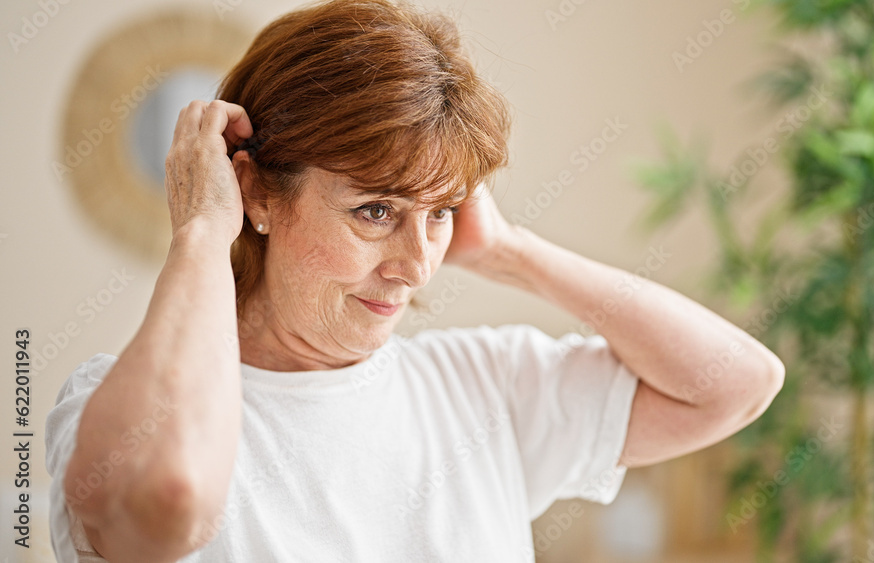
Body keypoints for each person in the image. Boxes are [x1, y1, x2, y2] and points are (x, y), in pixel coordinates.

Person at [45, 0, 785, 561]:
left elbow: (737, 382)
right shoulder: (113, 403)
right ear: (258, 192)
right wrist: (204, 232)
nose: (416, 263)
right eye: (375, 209)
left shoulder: (483, 384)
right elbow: (163, 499)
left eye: (441, 212)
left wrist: (510, 251)